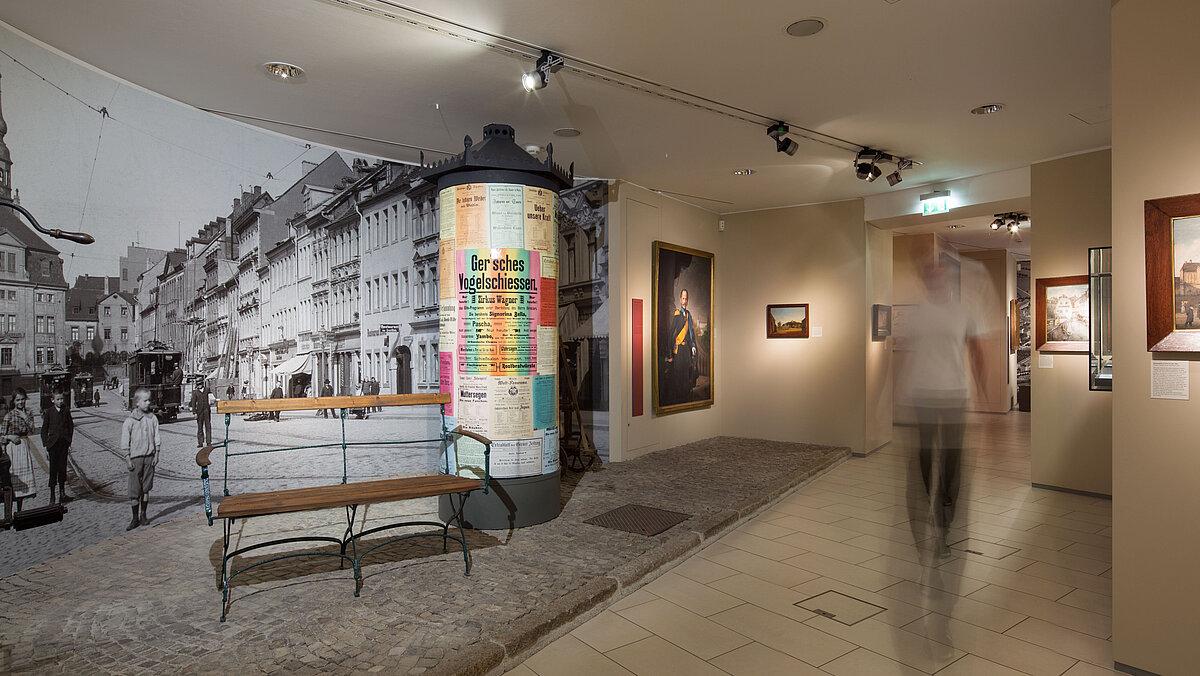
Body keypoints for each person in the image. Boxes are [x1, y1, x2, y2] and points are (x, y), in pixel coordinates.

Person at [903, 262, 986, 555]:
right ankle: (931, 499)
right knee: (926, 452)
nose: (935, 281)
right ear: (926, 280)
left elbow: (976, 351)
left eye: (939, 276)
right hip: (923, 394)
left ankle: (947, 503)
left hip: (954, 394)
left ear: (947, 281)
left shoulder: (963, 312)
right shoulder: (917, 314)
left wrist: (982, 388)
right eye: (930, 275)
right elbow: (907, 354)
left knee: (952, 454)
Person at [121, 387, 160, 530]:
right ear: (137, 402)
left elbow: (157, 438)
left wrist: (157, 454)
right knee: (134, 490)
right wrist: (127, 458)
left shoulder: (153, 418)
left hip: (149, 458)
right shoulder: (130, 421)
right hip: (135, 459)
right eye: (145, 400)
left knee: (146, 488)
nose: (148, 403)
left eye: (149, 400)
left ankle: (143, 515)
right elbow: (125, 441)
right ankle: (134, 518)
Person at [1, 388, 37, 512]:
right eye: (18, 400)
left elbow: (32, 430)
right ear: (14, 401)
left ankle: (20, 510)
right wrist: (9, 437)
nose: (21, 402)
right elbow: (1, 436)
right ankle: (9, 510)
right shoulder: (9, 415)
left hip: (24, 448)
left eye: (22, 399)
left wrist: (25, 417)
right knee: (13, 480)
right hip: (12, 449)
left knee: (23, 480)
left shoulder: (29, 412)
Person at [663, 288, 699, 404]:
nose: (684, 300)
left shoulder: (688, 315)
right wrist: (669, 352)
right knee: (678, 373)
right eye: (683, 298)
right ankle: (679, 398)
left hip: (686, 349)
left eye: (686, 298)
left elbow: (691, 333)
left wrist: (693, 345)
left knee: (687, 371)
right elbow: (671, 333)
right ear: (680, 299)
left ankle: (686, 396)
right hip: (678, 350)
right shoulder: (677, 314)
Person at [40, 389, 74, 504]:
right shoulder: (49, 412)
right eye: (58, 399)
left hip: (63, 445)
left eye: (61, 399)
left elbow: (71, 426)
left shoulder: (66, 410)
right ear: (52, 400)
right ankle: (52, 495)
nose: (60, 401)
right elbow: (44, 430)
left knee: (62, 469)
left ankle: (62, 493)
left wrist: (69, 442)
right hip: (53, 446)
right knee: (53, 469)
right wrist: (45, 445)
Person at [190, 379, 213, 447]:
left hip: (207, 411)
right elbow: (193, 403)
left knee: (208, 427)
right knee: (200, 427)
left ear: (202, 384)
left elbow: (211, 398)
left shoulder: (207, 390)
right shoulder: (195, 392)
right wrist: (194, 412)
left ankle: (209, 442)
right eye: (198, 384)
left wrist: (212, 401)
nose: (199, 385)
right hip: (199, 412)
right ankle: (200, 442)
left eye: (200, 384)